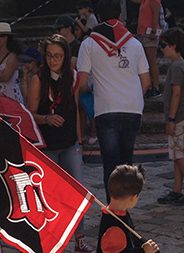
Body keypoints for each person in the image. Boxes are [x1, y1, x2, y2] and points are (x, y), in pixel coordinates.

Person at [27, 34, 94, 253]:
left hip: (69, 143)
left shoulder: (72, 77)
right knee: (48, 194)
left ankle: (80, 238)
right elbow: (30, 114)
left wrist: (80, 141)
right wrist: (46, 118)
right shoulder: (39, 79)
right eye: (49, 56)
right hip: (47, 145)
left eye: (58, 56)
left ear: (65, 57)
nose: (53, 60)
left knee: (78, 191)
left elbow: (74, 110)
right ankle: (47, 239)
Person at [77, 0, 150, 201]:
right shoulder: (135, 43)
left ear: (98, 17)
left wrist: (89, 91)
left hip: (106, 107)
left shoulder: (89, 43)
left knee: (111, 165)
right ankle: (127, 207)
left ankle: (113, 209)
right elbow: (146, 81)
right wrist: (132, 96)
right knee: (127, 164)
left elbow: (82, 82)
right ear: (120, 17)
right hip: (132, 107)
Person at [157, 27, 184, 206]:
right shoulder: (180, 64)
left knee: (180, 155)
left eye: (164, 45)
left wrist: (171, 119)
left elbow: (176, 94)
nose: (161, 48)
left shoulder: (176, 67)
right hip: (182, 116)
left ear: (173, 46)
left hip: (178, 117)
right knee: (176, 154)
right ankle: (177, 189)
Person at [133, 0, 162, 98]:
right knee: (145, 61)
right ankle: (148, 86)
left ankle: (155, 87)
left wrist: (153, 31)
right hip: (142, 32)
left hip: (149, 33)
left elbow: (155, 14)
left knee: (151, 60)